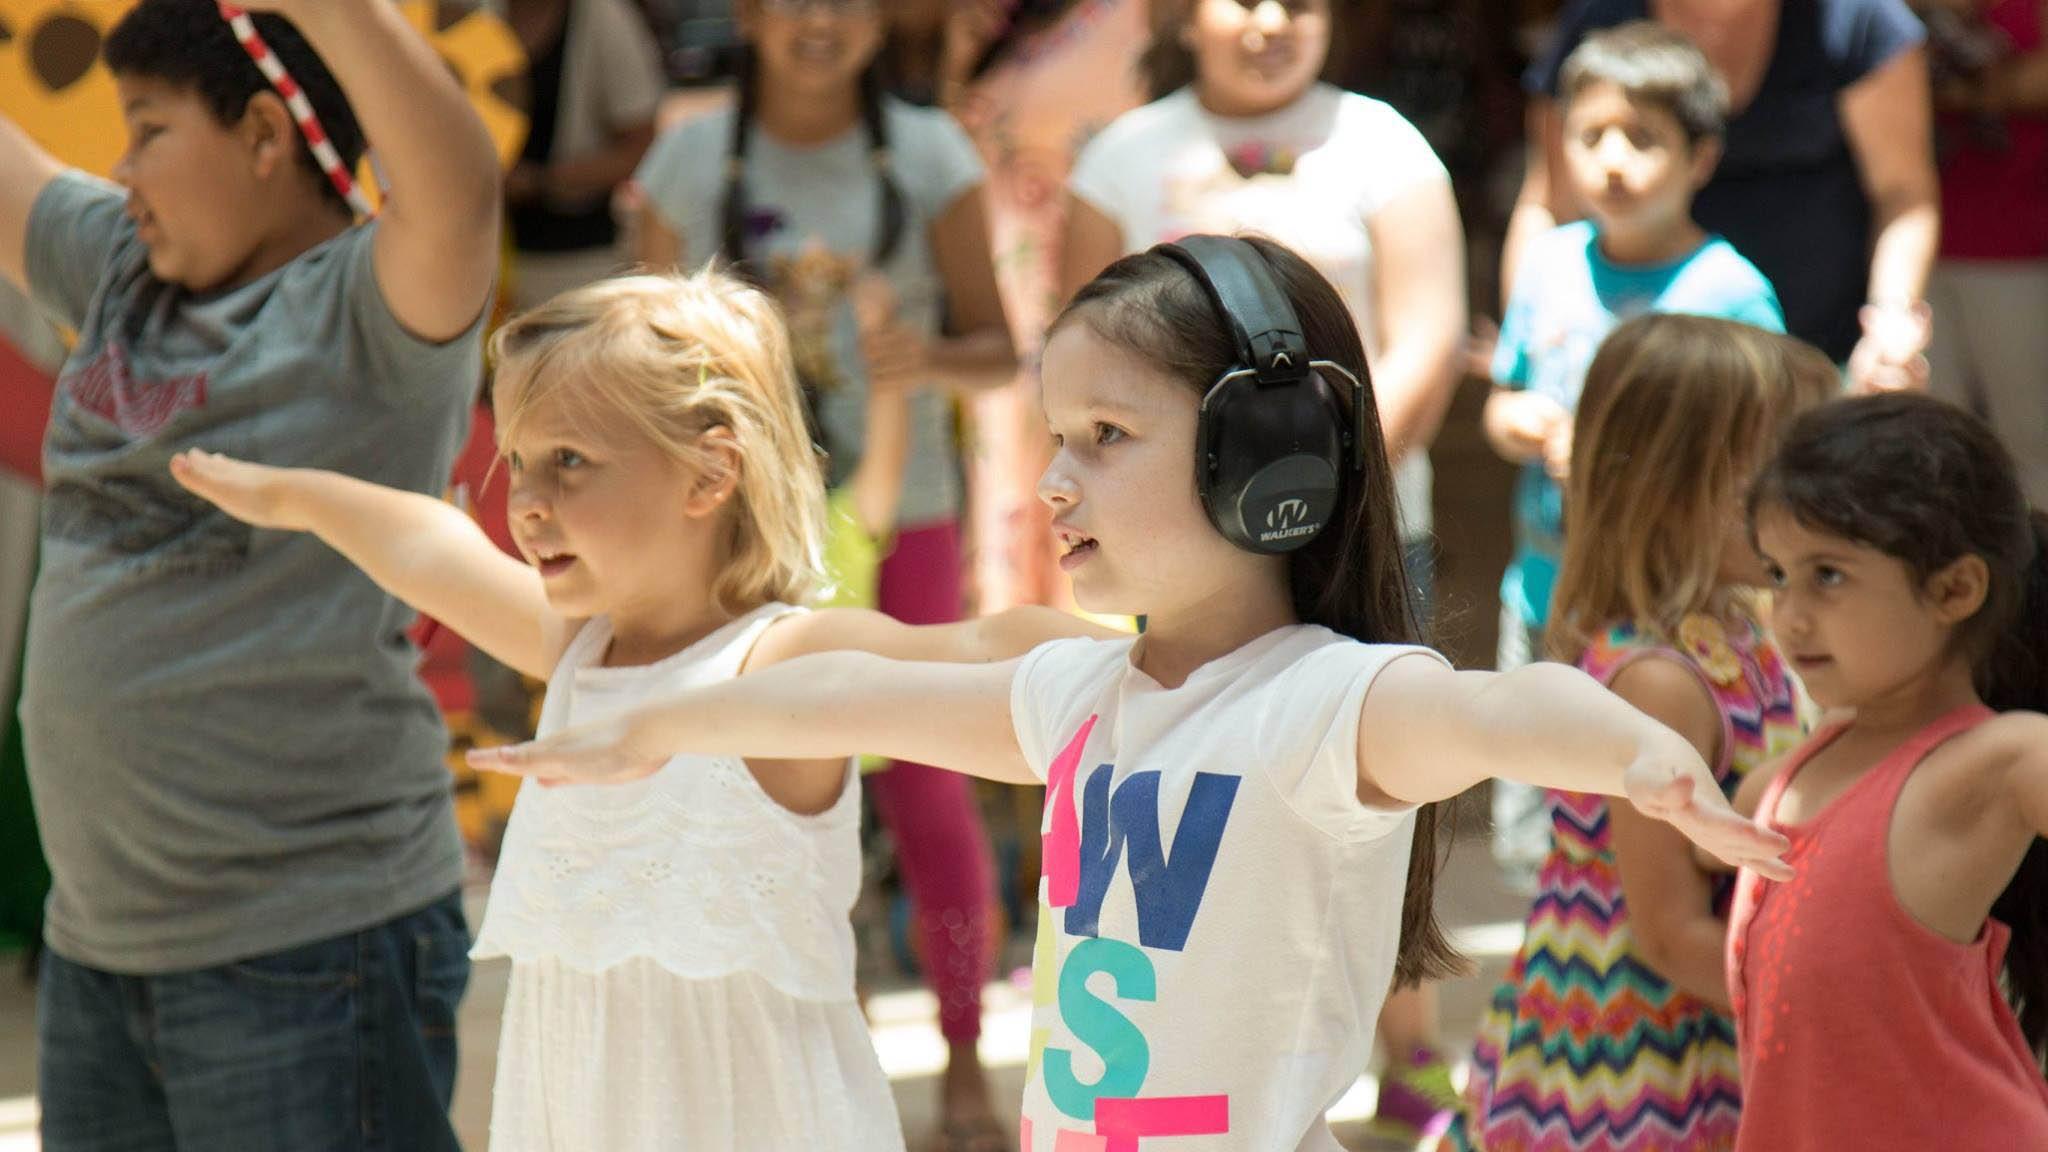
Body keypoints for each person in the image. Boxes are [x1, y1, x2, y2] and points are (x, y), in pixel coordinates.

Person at [468, 234, 1794, 1152]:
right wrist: (648, 728)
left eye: (1106, 440)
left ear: (1264, 461)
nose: (1055, 481)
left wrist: (1634, 754)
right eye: (1055, 436)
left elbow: (1500, 713)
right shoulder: (1079, 697)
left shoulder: (1329, 704)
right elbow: (838, 697)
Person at [170, 268, 1104, 1150]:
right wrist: (285, 494)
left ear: (709, 475)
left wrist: (1169, 649)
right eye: (519, 463)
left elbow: (983, 651)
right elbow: (426, 545)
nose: (527, 502)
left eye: (570, 461)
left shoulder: (785, 657)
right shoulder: (575, 647)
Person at [0, 0, 501, 1145]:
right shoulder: (122, 264)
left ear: (267, 136)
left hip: (311, 953)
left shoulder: (369, 312)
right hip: (99, 949)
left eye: (148, 130)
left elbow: (459, 187)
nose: (120, 172)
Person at [1058, 5, 1469, 1133]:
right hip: (1171, 558)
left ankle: (1406, 1048)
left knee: (1368, 781)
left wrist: (1298, 490)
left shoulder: (1384, 142)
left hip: (1360, 524)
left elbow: (1427, 333)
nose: (1269, 20)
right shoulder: (1123, 153)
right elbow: (1080, 347)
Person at [630, 1, 1020, 1141]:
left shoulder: (933, 151)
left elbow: (997, 349)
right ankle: (815, 1037)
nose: (817, 21)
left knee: (923, 781)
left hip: (907, 515)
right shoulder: (686, 156)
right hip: (731, 523)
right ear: (746, 15)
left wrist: (925, 357)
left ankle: (960, 1053)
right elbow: (636, 354)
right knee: (757, 784)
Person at [1451, 314, 1834, 1152]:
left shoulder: (1741, 630)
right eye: (1781, 473)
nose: (1817, 502)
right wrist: (1837, 1009)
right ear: (1677, 488)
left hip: (1708, 1014)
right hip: (1635, 1056)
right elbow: (1666, 934)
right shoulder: (1661, 680)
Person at [1483, 21, 1784, 893]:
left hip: (1672, 616)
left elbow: (1759, 452)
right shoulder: (1547, 264)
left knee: (1652, 812)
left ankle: (1642, 942)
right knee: (1541, 816)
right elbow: (1504, 398)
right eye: (1590, 137)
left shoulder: (1730, 291)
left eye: (1644, 139)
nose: (1612, 161)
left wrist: (1621, 459)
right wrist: (1524, 426)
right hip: (1547, 592)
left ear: (1701, 158)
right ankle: (1557, 947)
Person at [1726, 391, 2048, 1150]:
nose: (1791, 613)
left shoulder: (1995, 761)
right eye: (1778, 574)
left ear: (1953, 590)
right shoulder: (1787, 780)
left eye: (1829, 575)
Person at [1512, 0, 1940, 390]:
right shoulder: (1599, 18)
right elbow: (1548, 202)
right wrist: (1529, 344)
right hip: (1637, 384)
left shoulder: (1857, 18)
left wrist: (1889, 322)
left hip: (1825, 361)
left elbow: (1903, 194)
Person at [1924, 0, 2048, 507]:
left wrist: (1954, 88)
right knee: (1932, 445)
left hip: (2017, 246)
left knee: (2030, 440)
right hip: (1916, 252)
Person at [501, 0, 666, 309]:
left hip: (578, 260)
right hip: (480, 259)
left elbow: (641, 143)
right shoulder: (468, 12)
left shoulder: (601, 15)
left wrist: (540, 181)